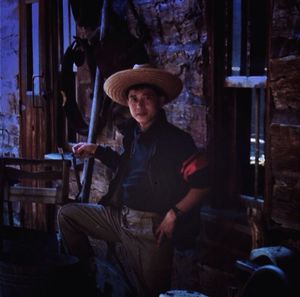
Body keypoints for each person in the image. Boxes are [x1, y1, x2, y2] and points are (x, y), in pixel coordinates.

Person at [58, 64, 209, 297]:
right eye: (133, 98)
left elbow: (203, 184)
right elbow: (126, 165)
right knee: (67, 216)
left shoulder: (177, 140)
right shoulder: (134, 134)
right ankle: (87, 276)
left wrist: (174, 214)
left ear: (160, 100)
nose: (139, 105)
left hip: (151, 228)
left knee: (151, 293)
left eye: (146, 98)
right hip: (120, 218)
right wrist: (96, 150)